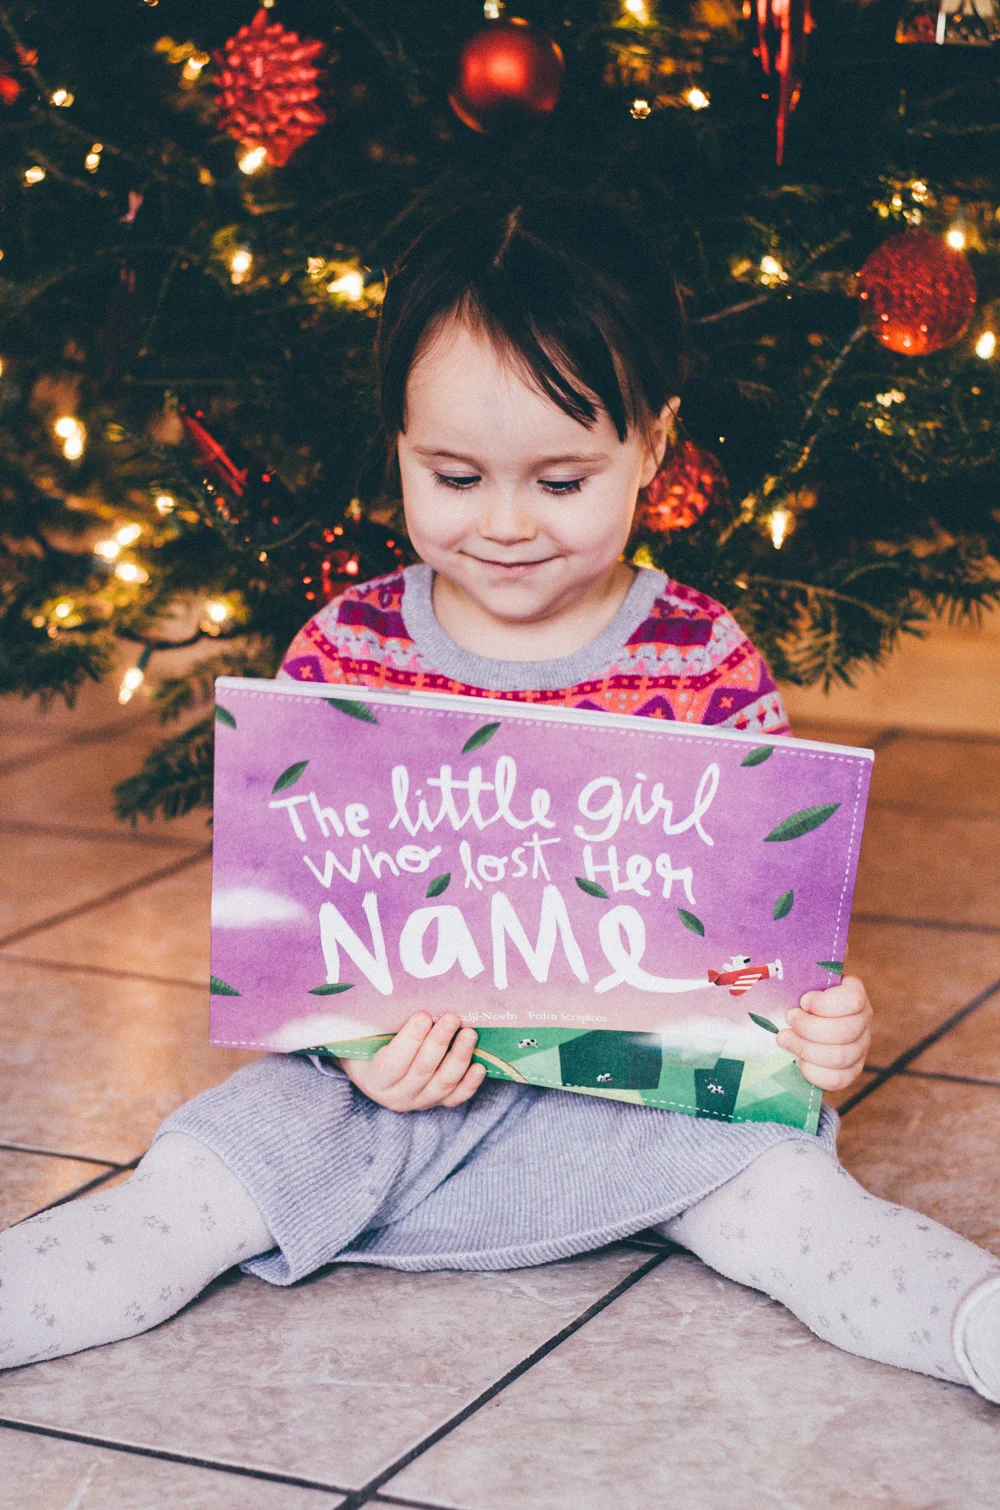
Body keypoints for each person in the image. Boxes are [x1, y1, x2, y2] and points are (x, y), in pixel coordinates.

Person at [3, 192, 999, 1400]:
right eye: (456, 475)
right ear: (400, 445)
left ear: (654, 443)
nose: (508, 525)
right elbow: (301, 926)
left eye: (564, 478)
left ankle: (972, 1322)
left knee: (798, 1208)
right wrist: (356, 1051)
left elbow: (747, 938)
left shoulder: (702, 659)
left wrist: (811, 1020)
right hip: (381, 1097)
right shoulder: (345, 648)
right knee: (189, 1189)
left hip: (642, 1104)